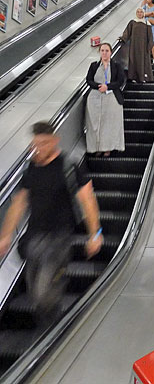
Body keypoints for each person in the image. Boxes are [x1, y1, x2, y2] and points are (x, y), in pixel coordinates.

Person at [0, 121, 103, 330]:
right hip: (34, 238)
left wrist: (95, 233)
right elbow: (19, 203)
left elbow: (88, 200)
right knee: (35, 292)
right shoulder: (31, 170)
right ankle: (50, 328)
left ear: (55, 140)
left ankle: (53, 331)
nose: (39, 149)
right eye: (36, 144)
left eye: (44, 143)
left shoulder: (69, 166)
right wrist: (5, 236)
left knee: (43, 290)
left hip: (59, 238)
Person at [86, 42, 126, 156]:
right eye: (102, 51)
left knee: (109, 124)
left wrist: (107, 87)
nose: (104, 53)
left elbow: (120, 81)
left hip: (112, 98)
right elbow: (88, 80)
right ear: (99, 52)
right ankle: (97, 147)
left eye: (107, 51)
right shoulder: (94, 65)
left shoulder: (116, 66)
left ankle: (108, 148)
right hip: (95, 98)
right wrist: (99, 86)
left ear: (111, 52)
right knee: (95, 124)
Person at [119, 7, 154, 83]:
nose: (139, 13)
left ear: (143, 13)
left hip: (143, 47)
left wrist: (149, 46)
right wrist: (123, 38)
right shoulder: (132, 22)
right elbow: (127, 32)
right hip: (134, 46)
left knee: (143, 61)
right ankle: (133, 77)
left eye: (141, 12)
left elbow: (150, 37)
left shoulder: (147, 23)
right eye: (138, 12)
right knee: (133, 60)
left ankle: (143, 77)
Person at [142, 0, 154, 64]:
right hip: (146, 25)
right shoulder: (144, 7)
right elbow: (141, 14)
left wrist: (146, 15)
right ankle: (147, 59)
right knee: (146, 41)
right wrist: (151, 14)